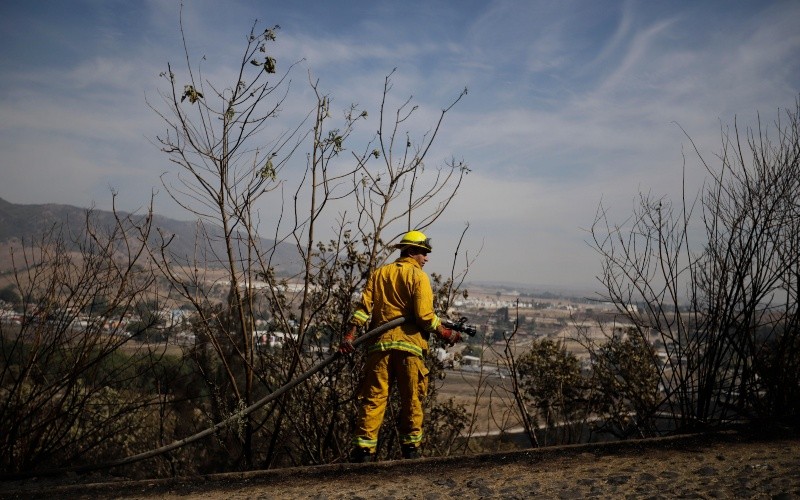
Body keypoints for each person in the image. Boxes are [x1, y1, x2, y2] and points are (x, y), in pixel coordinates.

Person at [339, 230, 463, 462]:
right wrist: (445, 333)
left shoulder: (380, 274)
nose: (426, 258)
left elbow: (363, 308)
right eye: (424, 253)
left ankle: (364, 452)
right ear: (412, 251)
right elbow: (425, 317)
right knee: (412, 399)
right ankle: (411, 451)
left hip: (379, 347)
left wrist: (350, 334)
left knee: (374, 398)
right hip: (410, 348)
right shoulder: (418, 277)